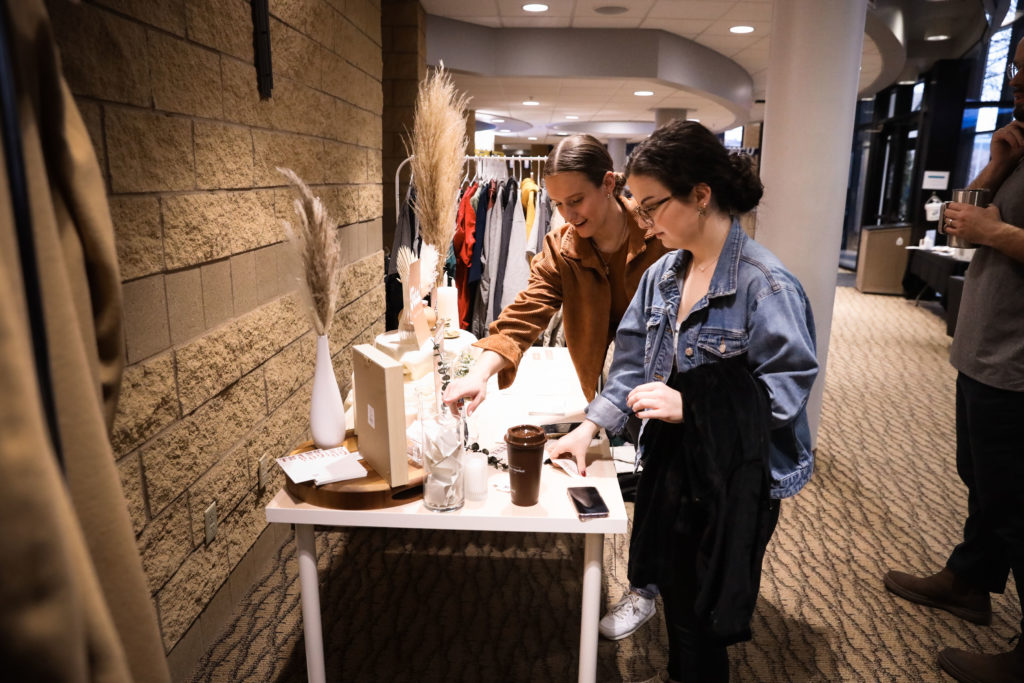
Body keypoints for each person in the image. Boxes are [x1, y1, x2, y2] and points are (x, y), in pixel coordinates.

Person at [548, 119, 818, 682]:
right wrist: (588, 427)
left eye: (652, 206)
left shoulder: (764, 285)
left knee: (705, 601)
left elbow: (787, 390)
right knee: (676, 583)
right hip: (676, 462)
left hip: (736, 473)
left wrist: (691, 407)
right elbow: (628, 367)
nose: (643, 221)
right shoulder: (665, 275)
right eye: (638, 207)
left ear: (701, 195)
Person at [442, 134, 670, 640]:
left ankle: (647, 589)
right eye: (558, 204)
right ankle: (651, 583)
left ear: (609, 184)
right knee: (623, 479)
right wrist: (478, 375)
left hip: (664, 386)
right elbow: (524, 313)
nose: (567, 214)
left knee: (661, 486)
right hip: (603, 387)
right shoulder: (562, 247)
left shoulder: (661, 239)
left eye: (577, 200)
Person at [884, 37, 1024, 683]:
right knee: (982, 476)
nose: (1017, 81)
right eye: (1016, 68)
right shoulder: (1018, 144)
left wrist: (995, 230)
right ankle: (969, 579)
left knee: (1014, 497)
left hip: (1018, 363)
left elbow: (986, 230)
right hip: (985, 348)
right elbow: (958, 223)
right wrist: (993, 169)